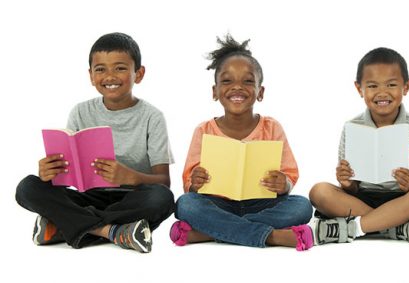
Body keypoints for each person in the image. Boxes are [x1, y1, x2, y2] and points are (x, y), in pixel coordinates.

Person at [16, 32, 175, 253]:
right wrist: (50, 173)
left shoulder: (152, 117)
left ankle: (64, 226)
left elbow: (163, 181)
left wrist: (131, 177)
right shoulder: (80, 112)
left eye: (119, 68)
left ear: (138, 74)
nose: (109, 76)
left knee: (163, 199)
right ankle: (113, 231)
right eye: (100, 69)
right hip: (87, 197)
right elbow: (67, 174)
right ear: (91, 76)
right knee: (27, 187)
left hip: (131, 199)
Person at [169, 34, 313, 251]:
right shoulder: (204, 130)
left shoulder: (271, 127)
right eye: (227, 81)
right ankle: (273, 237)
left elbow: (289, 178)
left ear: (260, 92)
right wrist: (195, 182)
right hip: (218, 204)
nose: (237, 87)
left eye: (247, 81)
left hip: (262, 204)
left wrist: (282, 183)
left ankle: (209, 232)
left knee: (302, 206)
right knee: (185, 204)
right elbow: (190, 185)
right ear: (215, 92)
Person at [308, 47, 409, 245]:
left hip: (401, 200)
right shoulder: (352, 127)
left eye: (391, 84)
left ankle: (353, 228)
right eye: (372, 86)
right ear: (359, 88)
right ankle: (396, 228)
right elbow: (352, 188)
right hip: (361, 199)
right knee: (319, 192)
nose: (382, 93)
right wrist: (346, 183)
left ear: (406, 86)